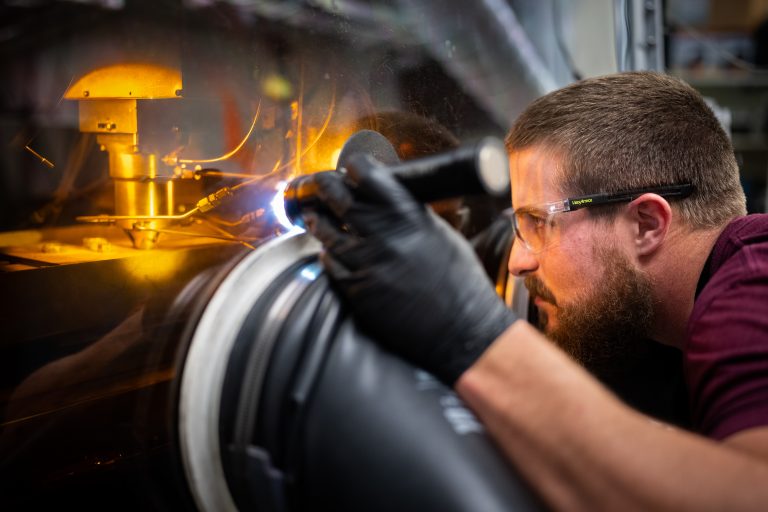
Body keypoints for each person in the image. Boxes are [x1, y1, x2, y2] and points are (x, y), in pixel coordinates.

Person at [303, 71, 768, 510]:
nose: (519, 260)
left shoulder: (749, 289)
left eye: (539, 223)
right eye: (517, 225)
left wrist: (470, 332)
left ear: (646, 224)